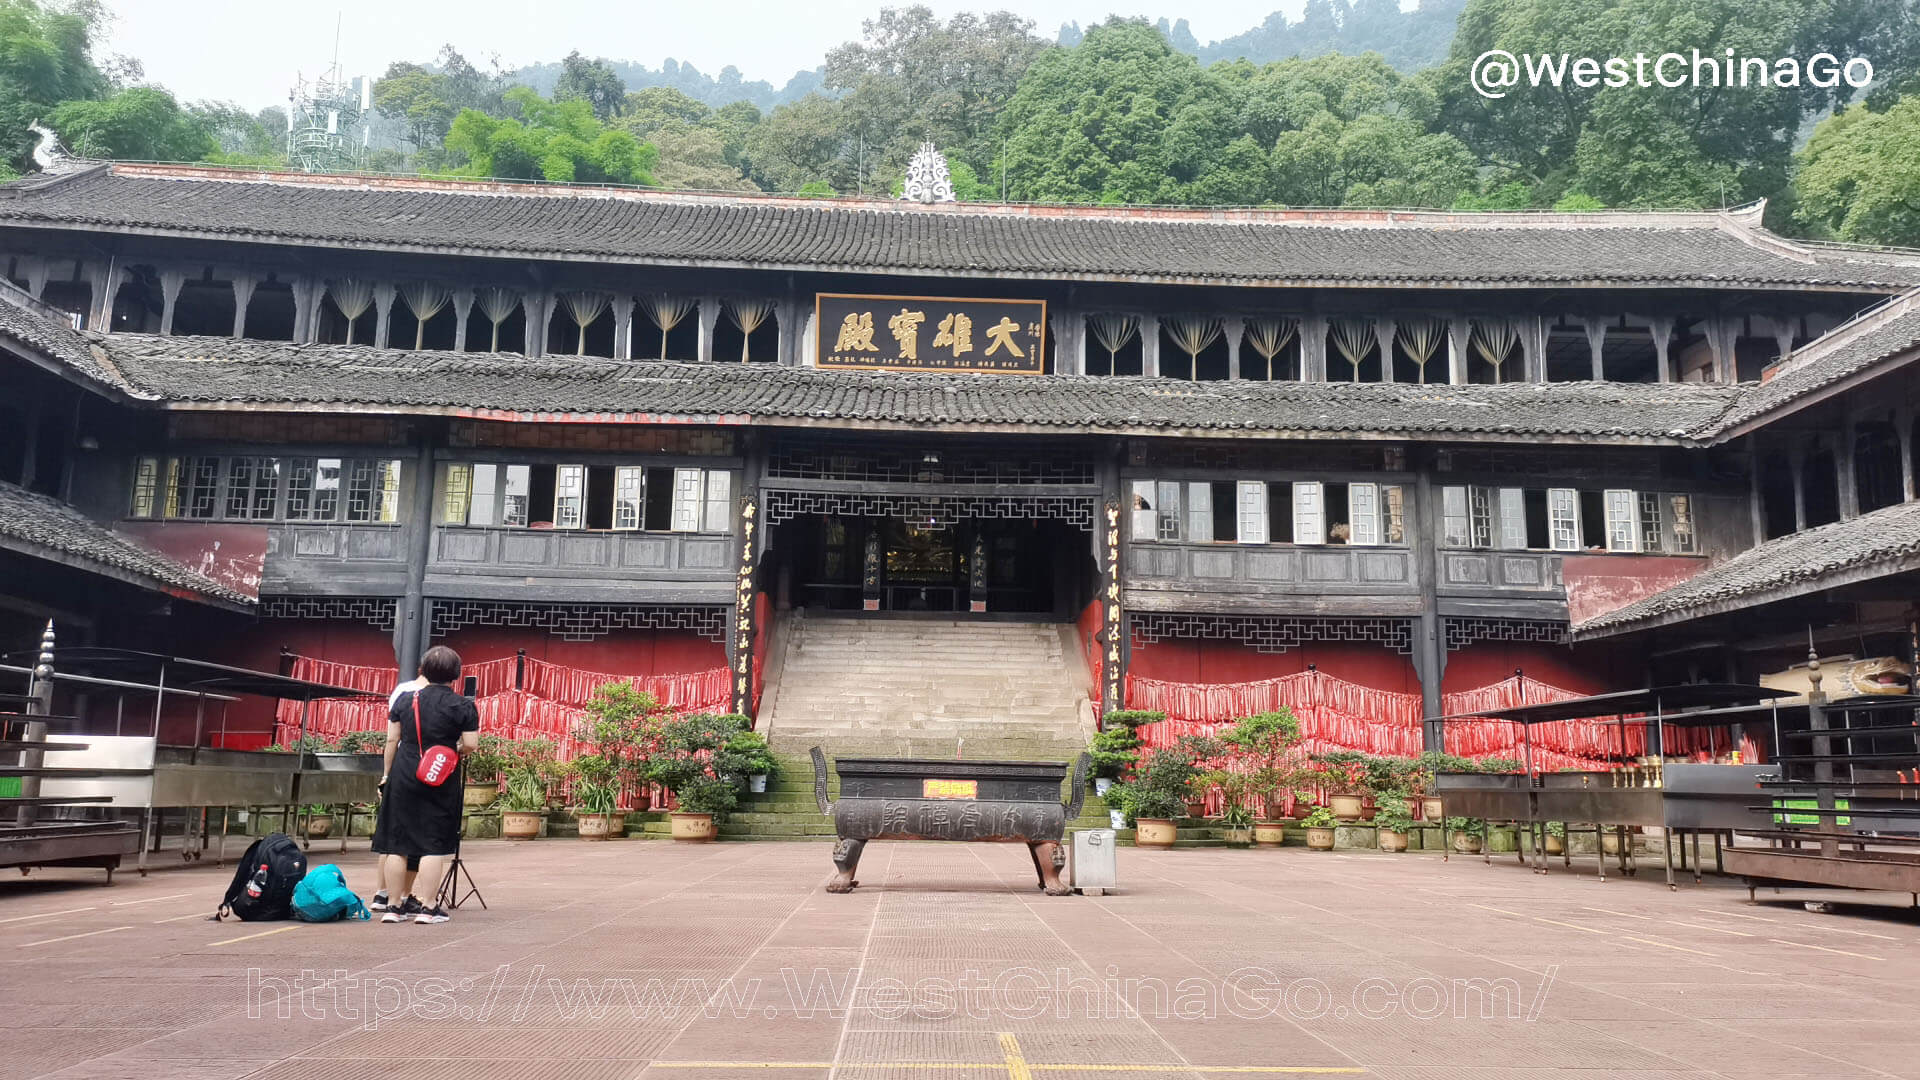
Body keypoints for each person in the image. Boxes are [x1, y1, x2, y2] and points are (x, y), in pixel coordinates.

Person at [378, 646, 479, 924]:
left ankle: (394, 907)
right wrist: (450, 750)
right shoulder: (462, 705)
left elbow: (391, 740)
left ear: (422, 670)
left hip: (403, 772)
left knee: (397, 843)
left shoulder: (405, 700)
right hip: (438, 775)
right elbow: (470, 744)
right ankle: (429, 907)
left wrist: (387, 773)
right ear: (455, 675)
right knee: (432, 843)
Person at [367, 669, 428, 912]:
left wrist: (386, 774)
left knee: (391, 837)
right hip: (421, 766)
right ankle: (403, 895)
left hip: (400, 767)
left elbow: (392, 738)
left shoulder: (401, 691)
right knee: (417, 836)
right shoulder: (436, 696)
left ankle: (382, 894)